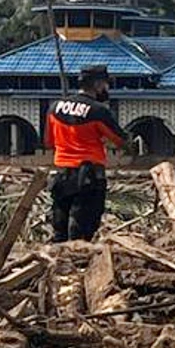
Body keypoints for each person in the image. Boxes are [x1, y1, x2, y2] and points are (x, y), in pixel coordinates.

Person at [44, 64, 126, 243]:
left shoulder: (54, 108)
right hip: (89, 177)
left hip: (61, 174)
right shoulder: (98, 111)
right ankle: (79, 267)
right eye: (105, 84)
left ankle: (58, 264)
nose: (107, 89)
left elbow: (49, 142)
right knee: (83, 229)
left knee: (60, 228)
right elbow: (121, 141)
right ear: (97, 85)